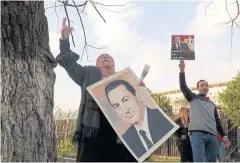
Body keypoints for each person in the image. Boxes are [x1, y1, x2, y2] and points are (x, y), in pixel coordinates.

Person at [56, 17, 136, 162]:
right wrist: (64, 40)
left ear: (114, 63)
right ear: (97, 63)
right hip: (93, 128)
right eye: (102, 57)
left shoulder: (124, 79)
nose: (105, 57)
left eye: (108, 57)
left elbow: (136, 100)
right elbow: (69, 64)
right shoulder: (88, 73)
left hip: (118, 130)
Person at [104, 79, 175, 158]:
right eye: (117, 106)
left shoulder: (163, 119)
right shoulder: (126, 138)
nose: (125, 110)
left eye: (125, 100)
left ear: (137, 96)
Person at [178, 59, 230, 162]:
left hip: (212, 136)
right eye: (202, 85)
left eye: (206, 85)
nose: (205, 86)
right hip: (197, 135)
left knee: (211, 160)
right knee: (199, 160)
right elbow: (183, 87)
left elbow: (217, 121)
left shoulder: (212, 105)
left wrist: (224, 135)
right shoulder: (192, 97)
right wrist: (182, 70)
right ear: (198, 88)